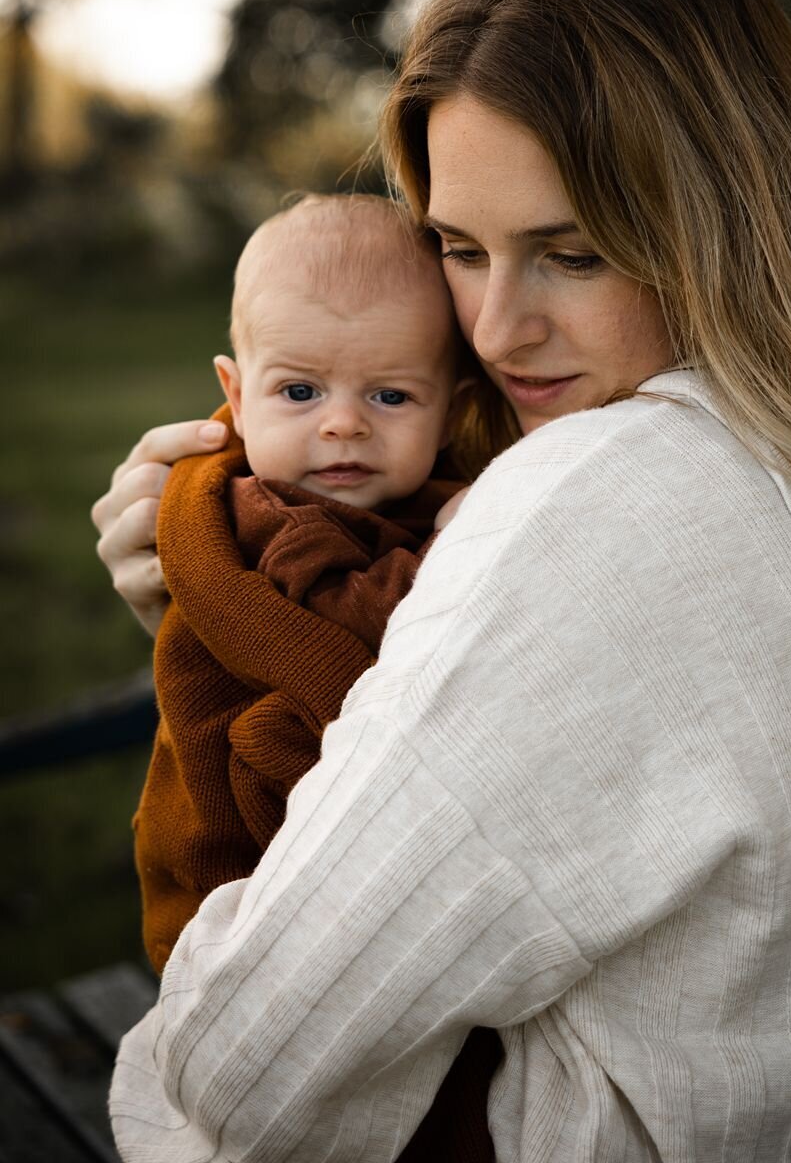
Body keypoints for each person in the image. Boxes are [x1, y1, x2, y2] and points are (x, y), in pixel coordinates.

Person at [95, 0, 791, 1162]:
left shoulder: (592, 510)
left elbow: (245, 1072)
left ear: (725, 230)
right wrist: (230, 617)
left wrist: (223, 623)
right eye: (458, 247)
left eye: (574, 253)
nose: (497, 331)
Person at [132, 189, 500, 1162]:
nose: (342, 426)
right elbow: (357, 628)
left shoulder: (380, 498)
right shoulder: (269, 516)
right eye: (299, 393)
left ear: (451, 405)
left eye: (390, 397)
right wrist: (458, 545)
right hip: (235, 851)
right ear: (234, 388)